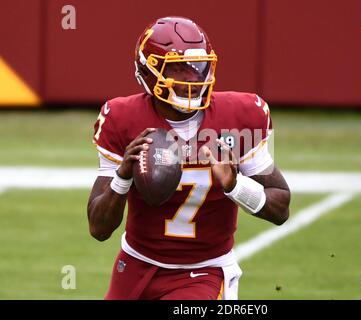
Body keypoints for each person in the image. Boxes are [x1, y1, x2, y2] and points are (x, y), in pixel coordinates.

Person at [87, 16, 291, 300]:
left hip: (204, 272)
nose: (192, 79)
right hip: (135, 265)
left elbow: (281, 208)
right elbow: (98, 229)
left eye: (198, 68)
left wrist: (236, 186)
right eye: (178, 70)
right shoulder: (123, 119)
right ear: (148, 73)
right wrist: (122, 176)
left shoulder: (239, 116)